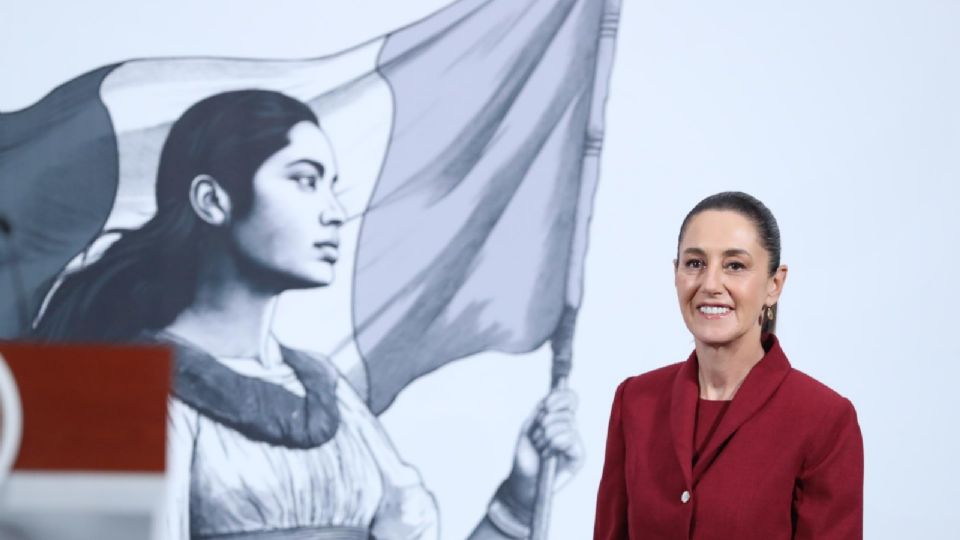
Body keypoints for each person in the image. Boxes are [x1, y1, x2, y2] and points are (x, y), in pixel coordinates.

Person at [32, 90, 582, 539]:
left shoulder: (329, 392)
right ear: (212, 200)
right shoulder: (114, 391)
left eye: (331, 186)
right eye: (304, 179)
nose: (334, 213)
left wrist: (520, 495)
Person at [594, 192, 863, 540]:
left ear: (774, 284)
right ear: (675, 273)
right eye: (694, 263)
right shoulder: (635, 401)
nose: (710, 284)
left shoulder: (824, 418)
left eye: (734, 265)